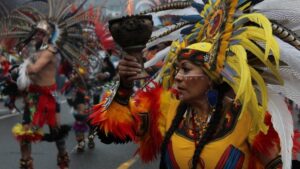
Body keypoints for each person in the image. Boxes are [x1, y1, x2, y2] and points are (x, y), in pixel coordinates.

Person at [90, 0, 299, 168]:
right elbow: (111, 133)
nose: (177, 77)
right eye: (178, 69)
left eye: (186, 70)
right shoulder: (165, 106)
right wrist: (125, 86)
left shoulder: (248, 117)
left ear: (211, 77)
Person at [12, 21, 69, 169]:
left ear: (48, 36)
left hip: (49, 96)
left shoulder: (51, 50)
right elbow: (27, 70)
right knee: (25, 134)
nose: (37, 35)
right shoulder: (35, 50)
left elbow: (34, 69)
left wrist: (22, 67)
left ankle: (63, 161)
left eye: (41, 33)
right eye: (36, 32)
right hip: (33, 96)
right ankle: (26, 164)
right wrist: (17, 70)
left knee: (56, 133)